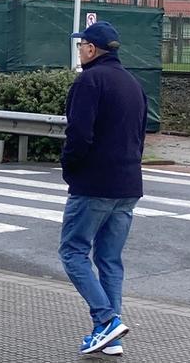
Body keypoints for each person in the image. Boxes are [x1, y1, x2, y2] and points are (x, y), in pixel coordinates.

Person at [58, 21, 147, 356]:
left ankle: (106, 320)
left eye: (81, 45)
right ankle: (112, 337)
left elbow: (78, 134)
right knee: (109, 259)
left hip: (94, 184)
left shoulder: (89, 81)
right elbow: (139, 137)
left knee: (72, 252)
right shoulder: (133, 84)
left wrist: (70, 170)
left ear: (92, 49)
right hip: (128, 185)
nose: (79, 50)